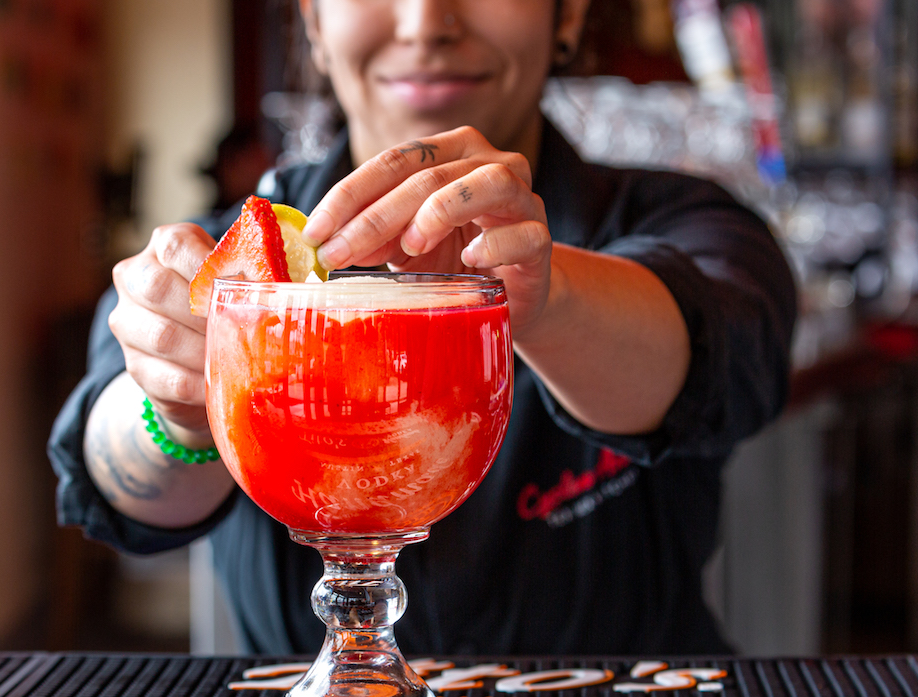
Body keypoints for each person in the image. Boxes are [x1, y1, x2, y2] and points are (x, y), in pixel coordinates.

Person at [49, 0, 796, 656]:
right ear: (314, 19)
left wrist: (544, 293)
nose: (425, 21)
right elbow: (119, 487)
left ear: (566, 14)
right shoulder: (232, 261)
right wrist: (177, 407)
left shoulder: (683, 218)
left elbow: (729, 360)